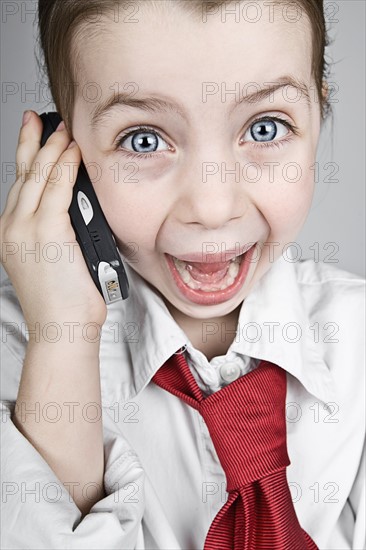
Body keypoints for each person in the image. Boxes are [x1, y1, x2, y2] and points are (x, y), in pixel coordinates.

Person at [0, 0, 364, 548]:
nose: (213, 206)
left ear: (319, 118)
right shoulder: (21, 350)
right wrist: (61, 336)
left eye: (265, 128)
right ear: (63, 153)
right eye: (143, 140)